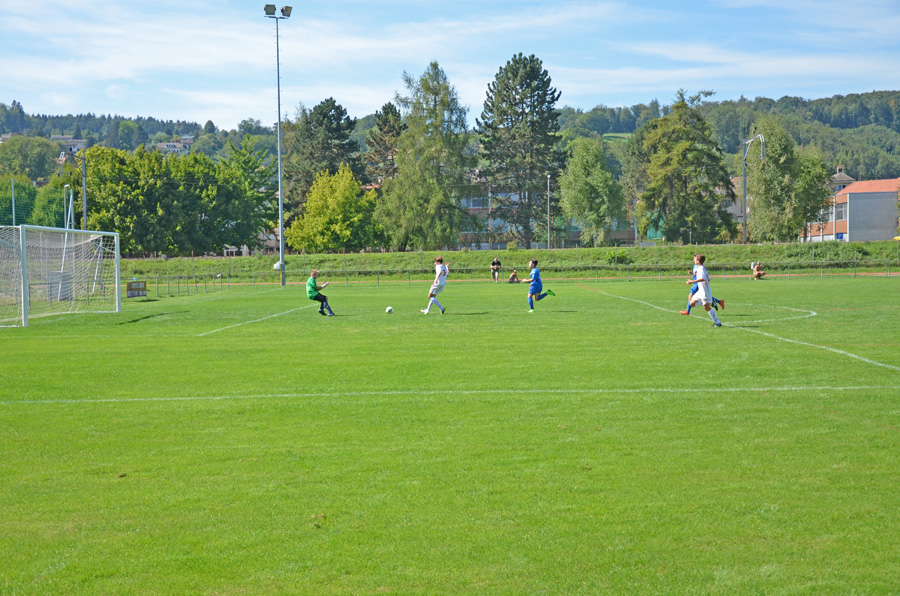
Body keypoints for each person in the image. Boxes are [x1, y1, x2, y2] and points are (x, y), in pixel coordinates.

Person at [682, 254, 722, 327]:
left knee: (706, 307)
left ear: (698, 261)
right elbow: (708, 278)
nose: (694, 260)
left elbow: (703, 278)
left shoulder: (701, 269)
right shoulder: (701, 268)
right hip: (701, 291)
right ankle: (710, 301)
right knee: (691, 303)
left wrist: (692, 281)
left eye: (695, 259)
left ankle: (717, 322)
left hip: (704, 292)